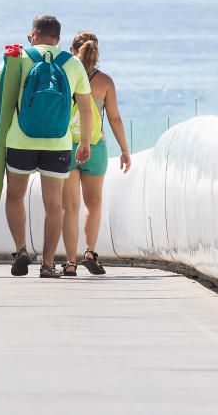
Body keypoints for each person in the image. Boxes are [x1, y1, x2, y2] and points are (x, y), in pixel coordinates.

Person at [0, 14, 94, 278]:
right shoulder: (72, 63)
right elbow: (85, 106)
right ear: (58, 38)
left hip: (20, 138)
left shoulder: (19, 58)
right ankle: (47, 265)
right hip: (58, 142)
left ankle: (21, 250)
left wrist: (9, 119)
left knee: (15, 196)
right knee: (54, 204)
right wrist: (83, 142)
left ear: (33, 34)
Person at [60, 31, 131, 277]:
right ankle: (90, 252)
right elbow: (114, 118)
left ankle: (70, 262)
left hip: (66, 146)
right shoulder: (105, 82)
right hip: (95, 147)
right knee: (94, 202)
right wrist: (124, 149)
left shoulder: (64, 77)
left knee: (70, 207)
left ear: (72, 49)